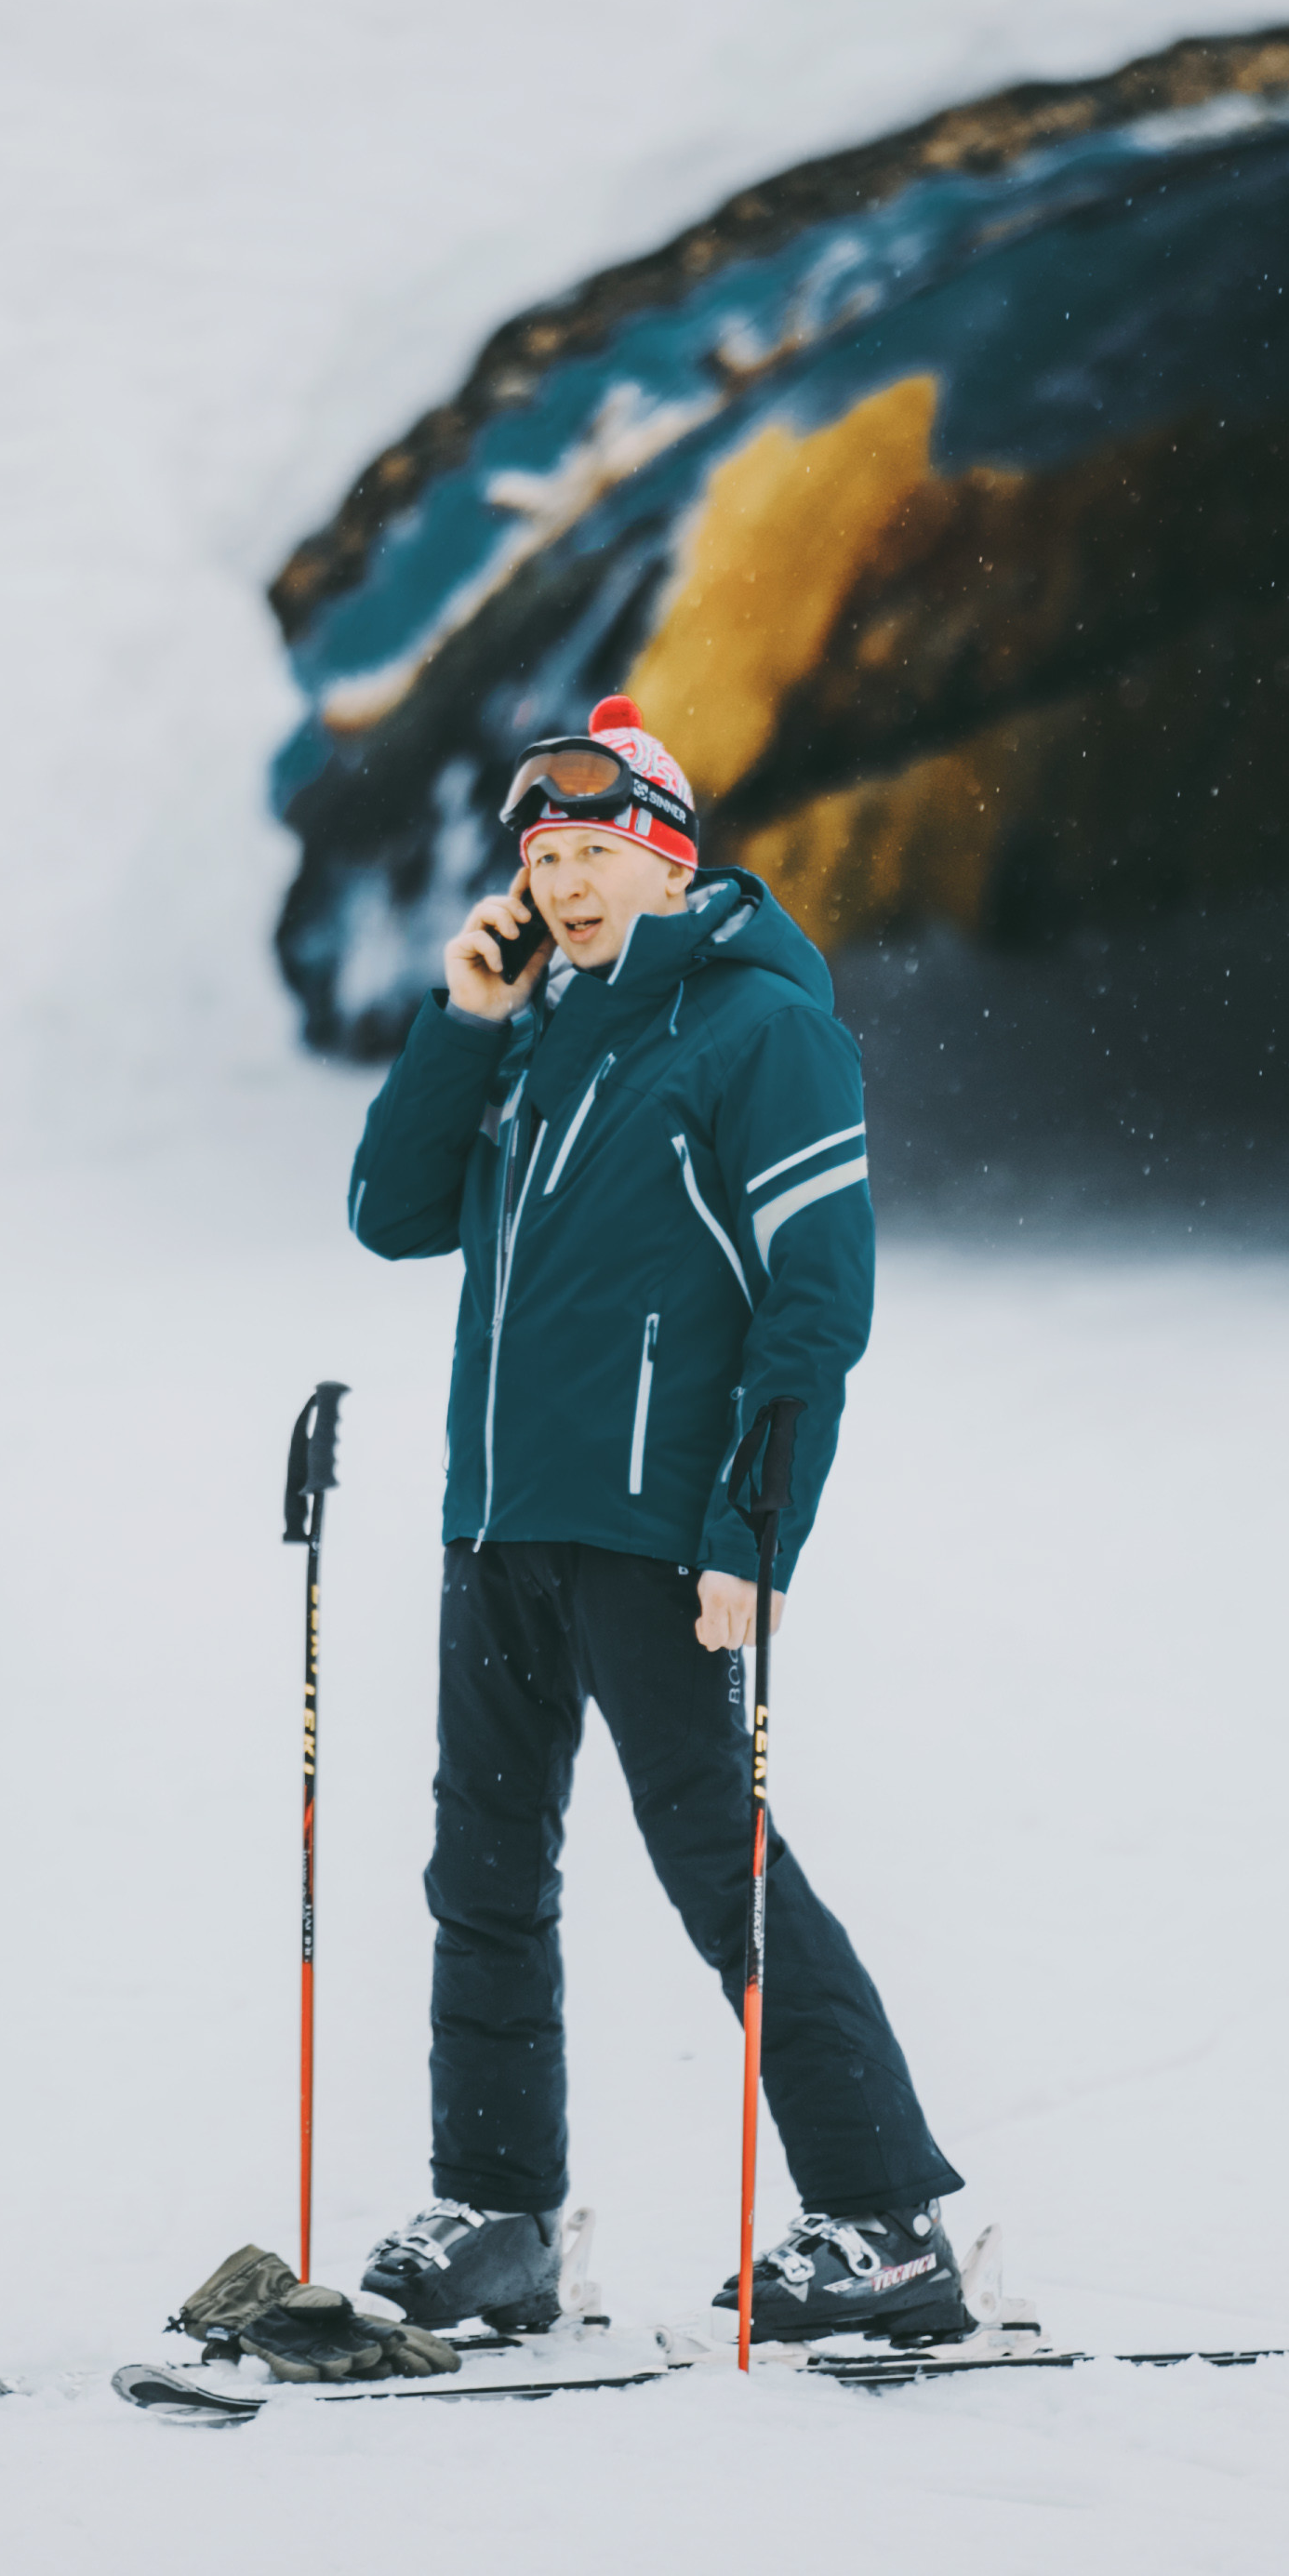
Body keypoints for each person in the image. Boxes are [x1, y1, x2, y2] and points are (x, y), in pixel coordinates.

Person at [341, 697, 968, 2344]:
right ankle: (498, 2220)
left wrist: (752, 1536)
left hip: (654, 1542)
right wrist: (466, 1022)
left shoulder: (762, 1034)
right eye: (543, 857)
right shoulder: (537, 1033)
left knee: (722, 1878)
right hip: (499, 1526)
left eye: (596, 849)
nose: (563, 883)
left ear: (670, 854)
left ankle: (886, 2224)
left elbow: (813, 1307)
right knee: (479, 1875)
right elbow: (391, 1214)